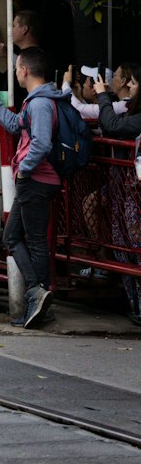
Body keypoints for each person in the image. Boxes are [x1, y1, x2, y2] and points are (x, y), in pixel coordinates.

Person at [0, 47, 62, 329]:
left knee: (32, 240)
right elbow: (17, 125)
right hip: (35, 180)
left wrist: (24, 171)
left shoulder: (40, 104)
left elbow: (41, 143)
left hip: (37, 180)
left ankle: (37, 295)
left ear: (25, 70)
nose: (15, 72)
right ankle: (38, 296)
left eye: (16, 67)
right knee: (14, 237)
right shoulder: (36, 101)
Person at [92, 68, 141, 325]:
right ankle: (135, 305)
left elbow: (112, 125)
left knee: (133, 244)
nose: (130, 87)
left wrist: (101, 96)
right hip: (126, 190)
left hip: (132, 192)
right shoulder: (130, 109)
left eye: (134, 82)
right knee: (124, 243)